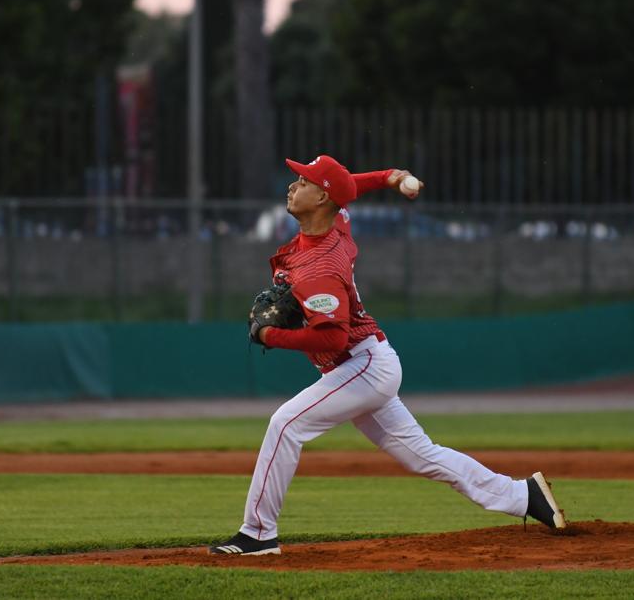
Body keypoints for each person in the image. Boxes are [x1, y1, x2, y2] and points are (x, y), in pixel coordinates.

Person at [208, 155, 565, 556]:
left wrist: (273, 335)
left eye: (303, 181)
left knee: (285, 424)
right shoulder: (336, 220)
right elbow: (349, 186)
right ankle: (523, 496)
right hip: (367, 363)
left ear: (322, 198)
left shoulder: (320, 267)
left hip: (360, 366)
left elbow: (332, 338)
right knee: (422, 456)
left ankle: (257, 533)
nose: (292, 186)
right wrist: (391, 176)